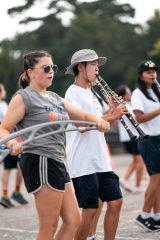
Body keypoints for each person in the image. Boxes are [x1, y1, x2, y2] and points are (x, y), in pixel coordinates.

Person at [0, 50, 110, 240]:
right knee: (49, 226)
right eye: (46, 68)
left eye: (53, 67)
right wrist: (12, 142)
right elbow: (4, 128)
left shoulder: (55, 97)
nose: (51, 71)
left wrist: (98, 120)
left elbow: (82, 116)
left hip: (57, 160)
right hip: (40, 159)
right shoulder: (24, 97)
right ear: (30, 72)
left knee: (74, 220)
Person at [65, 49, 128, 240]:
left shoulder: (93, 93)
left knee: (116, 202)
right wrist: (111, 114)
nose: (97, 69)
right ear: (80, 67)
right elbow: (82, 126)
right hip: (83, 162)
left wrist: (113, 109)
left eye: (97, 65)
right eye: (93, 65)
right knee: (90, 209)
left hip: (100, 159)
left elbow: (103, 124)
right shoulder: (72, 94)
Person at [131, 60, 160, 232]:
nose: (152, 74)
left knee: (159, 181)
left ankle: (157, 216)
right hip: (148, 139)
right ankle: (144, 215)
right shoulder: (137, 94)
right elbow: (139, 118)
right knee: (155, 179)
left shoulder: (156, 91)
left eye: (154, 71)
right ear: (141, 75)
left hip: (158, 137)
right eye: (148, 72)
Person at [0, 83, 28, 208]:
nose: (5, 92)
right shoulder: (4, 106)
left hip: (3, 142)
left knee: (7, 168)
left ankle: (5, 195)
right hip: (11, 140)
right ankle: (16, 191)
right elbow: (12, 123)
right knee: (20, 166)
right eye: (3, 90)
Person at [115, 85, 145, 193]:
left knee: (136, 160)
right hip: (132, 137)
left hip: (126, 137)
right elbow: (138, 119)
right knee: (140, 160)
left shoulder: (120, 106)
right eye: (128, 93)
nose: (130, 94)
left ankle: (125, 179)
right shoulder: (126, 105)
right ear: (123, 95)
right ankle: (137, 185)